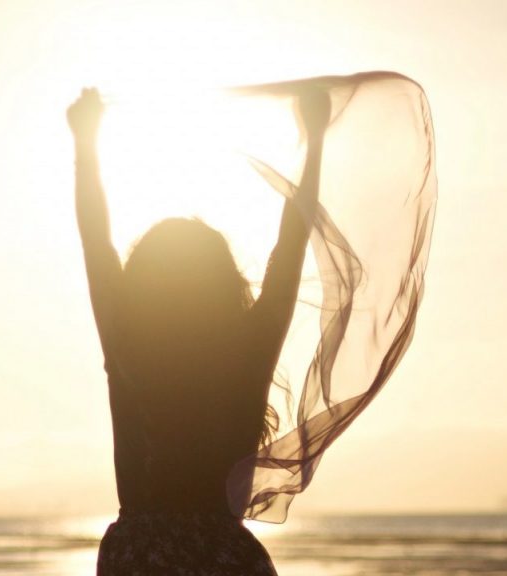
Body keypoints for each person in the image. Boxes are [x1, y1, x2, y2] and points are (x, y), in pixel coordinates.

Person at [67, 86, 330, 575]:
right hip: (225, 558)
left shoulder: (127, 342)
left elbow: (95, 240)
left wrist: (85, 141)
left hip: (138, 558)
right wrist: (313, 139)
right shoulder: (247, 351)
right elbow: (291, 244)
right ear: (222, 282)